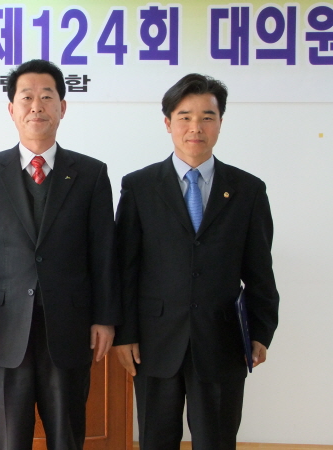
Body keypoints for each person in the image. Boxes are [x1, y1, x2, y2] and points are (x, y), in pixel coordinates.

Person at [113, 74, 279, 450]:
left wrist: (260, 330)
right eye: (185, 117)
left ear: (220, 122)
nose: (195, 127)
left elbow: (259, 270)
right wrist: (125, 333)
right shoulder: (139, 187)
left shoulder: (248, 190)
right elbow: (125, 269)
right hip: (154, 342)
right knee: (156, 440)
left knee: (216, 440)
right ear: (168, 122)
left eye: (207, 117)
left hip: (222, 341)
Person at [0, 59, 120, 450]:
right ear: (11, 109)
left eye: (47, 97)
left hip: (70, 326)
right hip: (4, 327)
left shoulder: (91, 174)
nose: (37, 106)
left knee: (67, 437)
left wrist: (104, 317)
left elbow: (104, 253)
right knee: (10, 438)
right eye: (27, 97)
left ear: (62, 107)